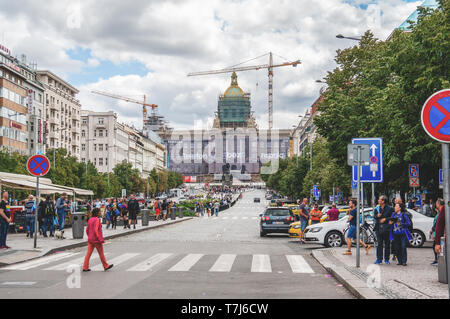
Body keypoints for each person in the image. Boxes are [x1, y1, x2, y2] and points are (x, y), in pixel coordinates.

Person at [83, 208, 113, 272]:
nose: (100, 212)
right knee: (101, 253)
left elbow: (87, 230)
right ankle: (105, 266)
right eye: (99, 211)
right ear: (97, 213)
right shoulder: (97, 219)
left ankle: (85, 267)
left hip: (90, 240)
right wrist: (99, 238)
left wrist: (89, 236)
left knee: (88, 254)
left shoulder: (90, 219)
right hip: (96, 240)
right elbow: (96, 230)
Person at [373, 195, 394, 264]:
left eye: (380, 200)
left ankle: (386, 259)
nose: (378, 200)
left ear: (383, 201)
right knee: (379, 244)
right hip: (378, 228)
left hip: (386, 228)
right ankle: (379, 259)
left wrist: (386, 219)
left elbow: (393, 217)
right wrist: (377, 216)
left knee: (387, 244)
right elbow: (374, 216)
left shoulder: (390, 208)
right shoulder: (377, 208)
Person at [430, 199, 443, 266]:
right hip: (437, 232)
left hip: (439, 233)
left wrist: (432, 229)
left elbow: (438, 224)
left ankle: (439, 260)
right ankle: (437, 260)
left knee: (437, 247)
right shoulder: (439, 212)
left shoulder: (441, 212)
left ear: (438, 204)